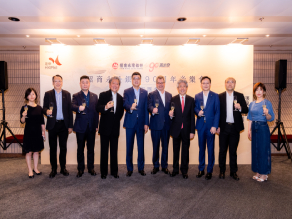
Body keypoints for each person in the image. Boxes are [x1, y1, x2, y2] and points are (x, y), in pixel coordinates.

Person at [217, 77, 248, 181]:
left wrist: (240, 108)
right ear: (225, 84)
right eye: (228, 82)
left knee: (233, 151)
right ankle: (222, 171)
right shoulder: (220, 96)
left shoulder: (239, 95)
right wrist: (217, 126)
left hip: (235, 127)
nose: (230, 84)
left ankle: (233, 172)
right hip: (223, 127)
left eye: (232, 82)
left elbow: (246, 110)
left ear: (235, 84)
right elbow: (217, 113)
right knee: (222, 150)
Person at [43, 75, 73, 178]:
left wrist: (70, 126)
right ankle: (54, 169)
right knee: (53, 148)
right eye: (55, 81)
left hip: (64, 124)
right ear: (53, 82)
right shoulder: (48, 94)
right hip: (52, 124)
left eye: (59, 81)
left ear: (62, 82)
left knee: (63, 147)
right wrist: (46, 111)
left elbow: (69, 111)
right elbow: (44, 107)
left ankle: (63, 168)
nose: (58, 83)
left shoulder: (67, 94)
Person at [71, 75, 99, 178]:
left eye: (86, 82)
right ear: (80, 84)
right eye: (83, 82)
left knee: (91, 149)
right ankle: (80, 169)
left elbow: (96, 112)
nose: (85, 84)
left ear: (89, 84)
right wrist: (79, 108)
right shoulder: (76, 95)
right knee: (80, 149)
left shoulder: (95, 96)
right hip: (80, 127)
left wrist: (96, 125)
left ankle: (91, 168)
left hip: (91, 126)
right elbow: (72, 106)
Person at [97, 76, 124, 179]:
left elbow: (120, 112)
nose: (115, 85)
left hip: (115, 128)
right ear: (109, 84)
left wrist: (115, 120)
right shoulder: (103, 95)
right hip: (104, 128)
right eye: (113, 83)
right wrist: (106, 107)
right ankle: (103, 172)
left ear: (119, 86)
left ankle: (114, 171)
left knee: (114, 151)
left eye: (117, 84)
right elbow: (98, 108)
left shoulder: (120, 98)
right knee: (104, 151)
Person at [123, 72, 149, 177]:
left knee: (141, 147)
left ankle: (141, 168)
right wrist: (130, 107)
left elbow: (146, 109)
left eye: (138, 78)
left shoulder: (145, 92)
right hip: (130, 123)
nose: (136, 80)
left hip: (141, 124)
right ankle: (129, 168)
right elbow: (124, 104)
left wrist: (146, 123)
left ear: (140, 80)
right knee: (129, 146)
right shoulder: (127, 91)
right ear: (132, 80)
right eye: (134, 78)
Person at [247, 82, 274, 182]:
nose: (258, 92)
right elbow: (250, 118)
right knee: (255, 150)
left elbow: (271, 118)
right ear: (254, 92)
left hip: (263, 127)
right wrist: (249, 130)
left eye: (260, 90)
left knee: (263, 150)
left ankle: (264, 173)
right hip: (254, 127)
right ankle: (257, 171)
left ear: (264, 91)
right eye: (256, 90)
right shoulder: (252, 104)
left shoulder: (267, 103)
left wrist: (267, 113)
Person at [194, 76, 220, 180]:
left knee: (210, 149)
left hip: (211, 127)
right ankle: (201, 169)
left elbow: (217, 112)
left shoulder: (215, 96)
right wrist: (198, 112)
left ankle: (209, 171)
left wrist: (215, 126)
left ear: (210, 84)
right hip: (201, 126)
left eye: (207, 83)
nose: (205, 85)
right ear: (201, 84)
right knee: (201, 149)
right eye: (203, 83)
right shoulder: (197, 96)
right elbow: (195, 108)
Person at [169, 79, 195, 179]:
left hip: (187, 130)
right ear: (178, 88)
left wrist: (192, 131)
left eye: (184, 86)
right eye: (180, 86)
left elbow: (192, 117)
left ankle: (184, 170)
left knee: (185, 151)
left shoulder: (191, 99)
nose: (182, 88)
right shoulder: (173, 99)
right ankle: (175, 169)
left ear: (187, 88)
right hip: (176, 129)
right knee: (175, 151)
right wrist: (170, 115)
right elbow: (171, 114)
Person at [148, 75, 172, 175]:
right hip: (155, 125)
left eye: (162, 83)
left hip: (166, 125)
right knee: (156, 146)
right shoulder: (151, 94)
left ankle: (164, 166)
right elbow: (148, 106)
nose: (160, 84)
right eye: (158, 83)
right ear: (156, 84)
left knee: (165, 147)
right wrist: (152, 110)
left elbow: (172, 108)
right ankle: (156, 166)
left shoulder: (169, 95)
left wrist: (172, 113)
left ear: (164, 83)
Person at [20, 88, 45, 178]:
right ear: (27, 96)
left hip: (38, 132)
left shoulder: (39, 108)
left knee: (36, 152)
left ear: (36, 96)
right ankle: (30, 170)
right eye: (29, 94)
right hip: (29, 132)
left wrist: (43, 132)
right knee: (29, 152)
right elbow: (22, 121)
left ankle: (35, 168)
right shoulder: (24, 108)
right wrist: (23, 116)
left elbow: (42, 121)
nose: (31, 96)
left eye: (33, 94)